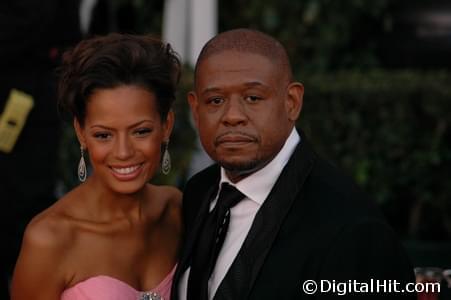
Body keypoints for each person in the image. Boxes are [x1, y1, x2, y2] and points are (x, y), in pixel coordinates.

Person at [171, 29, 417, 299]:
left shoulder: (354, 229)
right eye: (215, 100)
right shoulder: (198, 193)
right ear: (195, 109)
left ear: (292, 102)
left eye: (253, 98)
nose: (232, 116)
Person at [11, 33, 182, 300]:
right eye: (104, 135)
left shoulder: (176, 211)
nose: (124, 152)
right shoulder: (50, 239)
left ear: (166, 126)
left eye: (141, 131)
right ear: (81, 133)